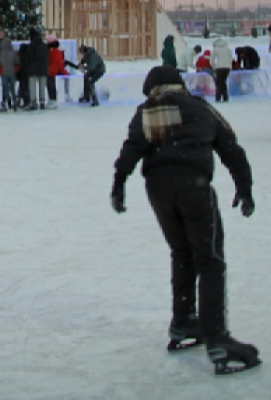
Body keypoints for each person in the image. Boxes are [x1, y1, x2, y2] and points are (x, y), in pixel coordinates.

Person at [109, 66, 260, 375]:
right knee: (210, 259)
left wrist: (119, 184)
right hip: (194, 186)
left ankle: (183, 321)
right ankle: (217, 336)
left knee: (182, 253)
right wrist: (244, 188)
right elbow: (231, 148)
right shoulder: (199, 106)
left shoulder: (147, 111)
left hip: (159, 190)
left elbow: (132, 148)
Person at [26, 29, 52, 109]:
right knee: (42, 86)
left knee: (33, 85)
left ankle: (33, 102)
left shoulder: (31, 45)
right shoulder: (44, 45)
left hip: (33, 69)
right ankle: (42, 101)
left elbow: (30, 57)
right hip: (43, 68)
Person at [0, 29, 17, 112]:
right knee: (12, 88)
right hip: (12, 73)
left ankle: (4, 103)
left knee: (5, 88)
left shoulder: (1, 53)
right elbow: (17, 62)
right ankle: (14, 101)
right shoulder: (13, 53)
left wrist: (0, 70)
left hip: (4, 73)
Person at [211, 35, 231, 104]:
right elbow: (230, 59)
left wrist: (214, 67)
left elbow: (211, 60)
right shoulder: (228, 49)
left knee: (219, 83)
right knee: (223, 82)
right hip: (227, 68)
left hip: (219, 68)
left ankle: (218, 97)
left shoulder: (215, 50)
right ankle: (225, 97)